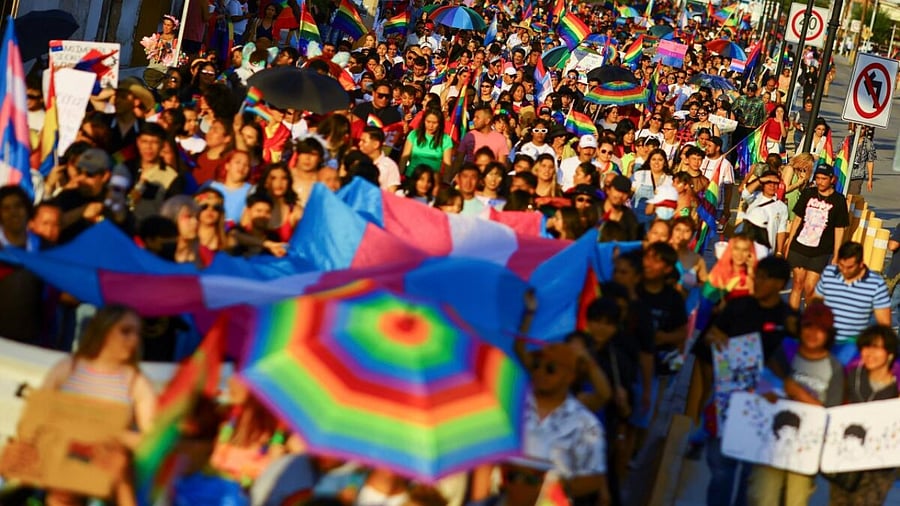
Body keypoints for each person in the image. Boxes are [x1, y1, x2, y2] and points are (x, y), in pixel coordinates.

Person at [690, 256, 797, 506]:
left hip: (764, 410)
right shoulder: (738, 307)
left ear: (780, 283)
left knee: (750, 476)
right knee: (721, 472)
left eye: (764, 277)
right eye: (756, 275)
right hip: (728, 402)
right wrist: (713, 340)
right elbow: (706, 346)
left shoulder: (789, 319)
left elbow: (799, 364)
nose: (757, 281)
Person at [40, 305, 158, 506]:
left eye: (137, 333)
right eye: (126, 331)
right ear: (104, 329)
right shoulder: (68, 368)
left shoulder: (135, 382)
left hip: (106, 463)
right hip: (63, 456)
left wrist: (113, 432)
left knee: (115, 464)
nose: (134, 340)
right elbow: (38, 416)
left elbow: (152, 441)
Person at [747, 303, 844, 506]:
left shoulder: (834, 367)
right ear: (800, 327)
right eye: (808, 326)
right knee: (763, 498)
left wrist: (799, 393)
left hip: (806, 450)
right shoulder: (786, 350)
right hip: (771, 444)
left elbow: (832, 415)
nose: (813, 333)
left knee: (796, 502)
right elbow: (762, 383)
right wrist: (768, 394)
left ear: (829, 334)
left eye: (820, 329)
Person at [830, 325, 899, 506]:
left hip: (880, 465)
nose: (869, 353)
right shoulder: (850, 376)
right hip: (846, 459)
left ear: (890, 353)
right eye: (866, 347)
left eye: (876, 347)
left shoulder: (896, 387)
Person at [784, 163, 849, 310]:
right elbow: (798, 219)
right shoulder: (809, 193)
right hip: (799, 246)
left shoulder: (838, 200)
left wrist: (837, 254)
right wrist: (789, 241)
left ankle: (809, 319)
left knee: (810, 287)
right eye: (818, 178)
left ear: (832, 179)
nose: (820, 182)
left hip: (821, 250)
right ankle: (792, 319)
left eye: (824, 178)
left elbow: (840, 229)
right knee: (798, 283)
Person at [813, 241, 891, 363]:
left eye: (849, 267)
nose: (844, 270)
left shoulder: (876, 284)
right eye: (841, 265)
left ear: (861, 264)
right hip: (823, 340)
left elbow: (884, 323)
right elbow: (815, 304)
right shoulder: (829, 273)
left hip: (851, 346)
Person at [738, 170, 789, 254]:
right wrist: (760, 180)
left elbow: (781, 230)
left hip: (767, 251)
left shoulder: (782, 207)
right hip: (748, 248)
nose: (772, 186)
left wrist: (779, 252)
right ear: (763, 184)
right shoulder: (754, 197)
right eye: (769, 182)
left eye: (775, 183)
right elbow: (744, 193)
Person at [400, 109, 454, 179]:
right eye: (428, 122)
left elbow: (447, 165)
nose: (431, 126)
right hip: (412, 176)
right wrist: (399, 176)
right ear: (424, 121)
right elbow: (404, 158)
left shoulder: (446, 139)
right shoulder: (414, 134)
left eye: (434, 123)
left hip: (432, 180)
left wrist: (445, 182)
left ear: (440, 124)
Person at [358, 126, 401, 192]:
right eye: (360, 140)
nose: (359, 144)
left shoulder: (390, 166)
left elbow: (391, 194)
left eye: (364, 141)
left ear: (376, 144)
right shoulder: (357, 161)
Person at [848, 125, 876, 195]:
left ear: (866, 129)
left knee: (852, 198)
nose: (859, 130)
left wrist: (870, 180)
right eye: (857, 127)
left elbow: (870, 162)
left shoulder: (869, 144)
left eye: (862, 128)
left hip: (857, 176)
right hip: (843, 174)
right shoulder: (847, 140)